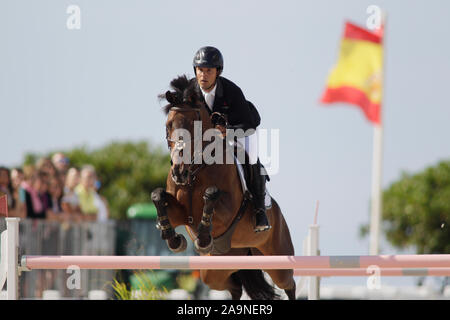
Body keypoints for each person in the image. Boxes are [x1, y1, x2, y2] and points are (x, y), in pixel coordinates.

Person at [191, 46, 270, 232]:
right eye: (200, 70)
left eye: (209, 70)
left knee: (250, 156)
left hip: (240, 131)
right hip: (205, 138)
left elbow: (249, 125)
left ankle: (259, 209)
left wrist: (228, 132)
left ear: (218, 72)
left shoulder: (232, 91)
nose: (203, 75)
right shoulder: (190, 91)